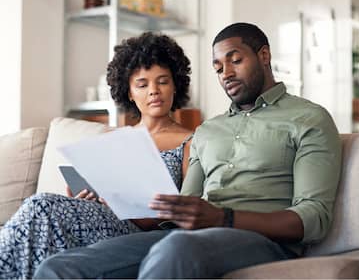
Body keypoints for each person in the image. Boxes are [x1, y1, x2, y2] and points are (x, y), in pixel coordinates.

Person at [33, 22, 342, 279]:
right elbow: (183, 210)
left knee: (176, 249)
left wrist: (224, 218)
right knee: (60, 266)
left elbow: (313, 218)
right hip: (190, 236)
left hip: (264, 241)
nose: (226, 74)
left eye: (235, 60)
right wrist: (119, 200)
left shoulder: (308, 119)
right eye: (219, 67)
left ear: (264, 56)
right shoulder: (209, 131)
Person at [0, 32, 193, 279]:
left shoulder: (190, 141)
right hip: (100, 219)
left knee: (42, 206)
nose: (154, 91)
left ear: (176, 84)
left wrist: (125, 206)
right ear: (130, 93)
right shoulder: (115, 141)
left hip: (141, 234)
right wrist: (84, 198)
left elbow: (188, 213)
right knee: (43, 217)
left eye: (163, 81)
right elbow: (94, 192)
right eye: (142, 85)